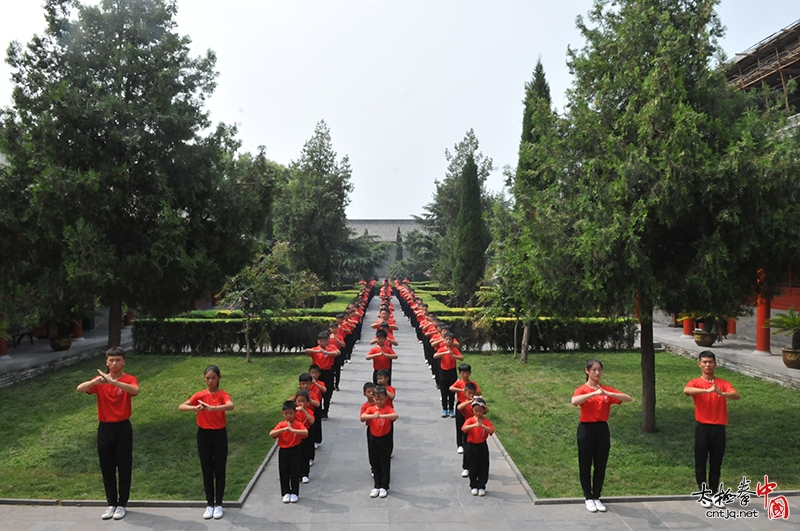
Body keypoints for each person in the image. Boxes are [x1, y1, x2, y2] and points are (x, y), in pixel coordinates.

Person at [76, 346, 140, 521]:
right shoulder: (100, 380)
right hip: (105, 428)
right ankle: (111, 503)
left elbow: (135, 390)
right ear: (106, 362)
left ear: (123, 362)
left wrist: (113, 382)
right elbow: (80, 389)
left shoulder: (128, 379)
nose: (114, 363)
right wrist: (95, 382)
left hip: (123, 427)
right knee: (107, 466)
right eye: (111, 360)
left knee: (124, 466)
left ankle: (122, 504)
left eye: (118, 360)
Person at [571, 358, 632, 513]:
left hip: (602, 429)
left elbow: (627, 398)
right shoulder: (582, 389)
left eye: (599, 370)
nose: (597, 373)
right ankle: (588, 497)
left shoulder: (605, 389)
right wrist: (593, 394)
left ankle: (597, 496)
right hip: (586, 428)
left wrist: (607, 393)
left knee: (600, 463)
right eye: (594, 370)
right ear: (587, 371)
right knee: (585, 463)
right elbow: (574, 401)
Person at [683, 351, 740, 509]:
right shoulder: (695, 382)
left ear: (715, 364)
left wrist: (722, 393)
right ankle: (703, 494)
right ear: (699, 364)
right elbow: (686, 390)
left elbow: (736, 395)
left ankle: (714, 494)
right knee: (700, 462)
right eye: (704, 362)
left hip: (719, 428)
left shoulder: (722, 383)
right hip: (702, 427)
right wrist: (706, 391)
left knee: (716, 463)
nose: (707, 365)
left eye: (710, 362)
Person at [177, 365, 234, 520]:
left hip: (219, 435)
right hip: (203, 435)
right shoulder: (200, 395)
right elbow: (181, 406)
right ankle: (209, 504)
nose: (210, 381)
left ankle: (219, 504)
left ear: (219, 379)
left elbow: (230, 405)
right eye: (207, 378)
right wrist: (195, 408)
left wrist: (212, 409)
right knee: (207, 469)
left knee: (219, 468)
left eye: (213, 378)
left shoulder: (222, 395)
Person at [360, 385, 398, 498]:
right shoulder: (371, 408)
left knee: (384, 462)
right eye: (377, 399)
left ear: (385, 398)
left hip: (385, 438)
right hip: (373, 438)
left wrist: (382, 415)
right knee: (374, 460)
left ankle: (384, 486)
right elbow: (362, 417)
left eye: (381, 399)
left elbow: (395, 415)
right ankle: (376, 485)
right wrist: (372, 416)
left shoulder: (387, 409)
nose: (379, 401)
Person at [269, 400, 308, 503]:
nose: (289, 415)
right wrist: (283, 430)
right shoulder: (281, 424)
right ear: (283, 413)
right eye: (286, 413)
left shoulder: (298, 424)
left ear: (295, 412)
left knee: (295, 471)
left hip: (295, 450)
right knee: (284, 471)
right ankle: (286, 492)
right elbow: (271, 434)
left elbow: (305, 432)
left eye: (291, 413)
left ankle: (294, 492)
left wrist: (293, 430)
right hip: (283, 451)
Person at [461, 397, 494, 496]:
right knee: (473, 466)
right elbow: (464, 428)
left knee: (483, 466)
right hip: (471, 446)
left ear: (483, 411)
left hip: (482, 446)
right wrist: (474, 425)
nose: (478, 413)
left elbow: (491, 431)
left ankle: (481, 485)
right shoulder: (470, 420)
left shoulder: (486, 421)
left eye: (480, 411)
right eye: (476, 411)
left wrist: (483, 426)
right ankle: (473, 485)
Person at [305, 332, 340, 419]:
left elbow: (337, 353)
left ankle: (325, 411)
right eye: (321, 341)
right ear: (318, 341)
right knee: (316, 392)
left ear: (327, 341)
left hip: (328, 372)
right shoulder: (315, 349)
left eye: (325, 341)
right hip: (317, 373)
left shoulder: (330, 348)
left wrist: (326, 352)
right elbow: (306, 351)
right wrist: (318, 351)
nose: (323, 343)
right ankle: (318, 410)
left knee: (327, 392)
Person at [450, 363, 482, 454]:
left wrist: (472, 393)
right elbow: (451, 388)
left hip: (471, 406)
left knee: (468, 424)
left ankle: (467, 442)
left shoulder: (472, 383)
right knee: (459, 425)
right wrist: (461, 390)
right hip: (461, 405)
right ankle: (460, 444)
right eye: (463, 373)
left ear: (470, 373)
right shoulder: (459, 382)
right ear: (460, 373)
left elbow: (479, 392)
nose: (465, 375)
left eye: (467, 373)